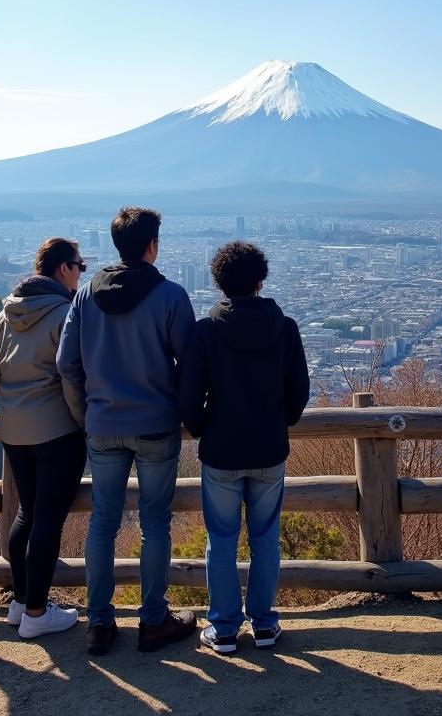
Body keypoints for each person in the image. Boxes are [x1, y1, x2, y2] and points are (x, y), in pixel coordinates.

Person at [56, 207, 197, 655]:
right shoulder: (171, 296)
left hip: (102, 424)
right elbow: (191, 364)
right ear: (152, 245)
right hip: (156, 425)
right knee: (154, 522)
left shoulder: (85, 295)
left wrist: (85, 414)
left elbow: (65, 363)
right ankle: (152, 621)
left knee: (103, 522)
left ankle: (99, 622)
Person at [180, 241, 310, 654]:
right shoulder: (285, 328)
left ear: (219, 283)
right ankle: (266, 624)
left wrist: (203, 427)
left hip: (221, 449)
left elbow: (188, 398)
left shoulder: (204, 331)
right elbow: (299, 393)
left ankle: (223, 628)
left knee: (221, 539)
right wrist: (281, 420)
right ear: (260, 281)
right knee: (265, 538)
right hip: (269, 448)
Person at [0, 237, 88, 639]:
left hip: (13, 430)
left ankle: (20, 601)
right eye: (79, 265)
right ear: (63, 268)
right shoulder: (65, 314)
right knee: (48, 520)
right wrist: (81, 419)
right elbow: (72, 376)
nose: (81, 272)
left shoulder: (3, 314)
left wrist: (14, 403)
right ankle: (36, 612)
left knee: (27, 514)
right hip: (57, 430)